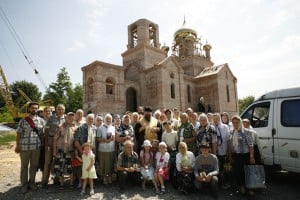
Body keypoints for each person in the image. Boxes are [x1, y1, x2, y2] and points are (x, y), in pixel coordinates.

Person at [15, 102, 45, 194]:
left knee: (34, 166)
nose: (34, 110)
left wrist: (43, 143)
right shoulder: (23, 120)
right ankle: (24, 185)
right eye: (32, 108)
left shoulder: (41, 121)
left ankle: (32, 183)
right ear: (28, 109)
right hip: (24, 147)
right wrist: (17, 145)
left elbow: (42, 134)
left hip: (36, 147)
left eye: (36, 108)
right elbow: (18, 134)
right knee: (24, 167)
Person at [229, 115, 255, 195]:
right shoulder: (232, 132)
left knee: (247, 172)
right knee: (238, 172)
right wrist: (230, 156)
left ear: (240, 122)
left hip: (245, 155)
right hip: (236, 155)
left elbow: (251, 145)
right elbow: (231, 145)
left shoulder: (247, 131)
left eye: (237, 122)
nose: (235, 124)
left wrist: (251, 157)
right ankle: (242, 186)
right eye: (233, 123)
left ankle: (250, 188)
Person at [42, 104, 65, 187]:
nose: (60, 110)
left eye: (62, 109)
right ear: (56, 109)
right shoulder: (51, 118)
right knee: (47, 161)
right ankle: (44, 181)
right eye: (59, 109)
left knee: (57, 161)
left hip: (60, 142)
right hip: (51, 140)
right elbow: (46, 130)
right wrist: (46, 143)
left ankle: (56, 180)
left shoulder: (65, 118)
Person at [52, 112, 76, 189]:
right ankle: (61, 184)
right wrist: (54, 151)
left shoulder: (74, 127)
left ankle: (71, 184)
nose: (71, 119)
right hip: (61, 150)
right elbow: (55, 139)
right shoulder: (60, 126)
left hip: (70, 150)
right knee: (60, 167)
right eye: (69, 118)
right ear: (66, 118)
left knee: (71, 168)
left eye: (72, 118)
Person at [213, 113, 231, 188]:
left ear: (219, 118)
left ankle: (225, 183)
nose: (216, 120)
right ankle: (219, 183)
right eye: (214, 119)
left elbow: (228, 140)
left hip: (224, 150)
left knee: (224, 168)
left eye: (217, 118)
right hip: (216, 151)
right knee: (217, 167)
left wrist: (228, 151)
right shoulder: (212, 127)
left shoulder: (225, 127)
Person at [96, 113, 115, 184]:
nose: (108, 120)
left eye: (110, 119)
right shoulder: (100, 128)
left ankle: (109, 177)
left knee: (110, 164)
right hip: (102, 149)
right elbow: (97, 139)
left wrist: (112, 138)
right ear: (105, 119)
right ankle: (104, 178)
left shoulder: (113, 127)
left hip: (111, 149)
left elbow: (114, 137)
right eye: (107, 119)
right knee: (103, 164)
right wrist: (105, 140)